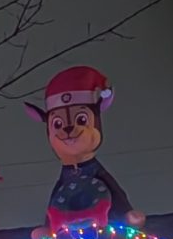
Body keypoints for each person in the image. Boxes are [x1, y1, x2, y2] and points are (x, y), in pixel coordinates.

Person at [26, 66, 141, 230]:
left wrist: (126, 212)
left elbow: (115, 190)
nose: (67, 129)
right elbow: (55, 201)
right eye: (57, 124)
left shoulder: (94, 170)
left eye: (81, 120)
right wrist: (48, 228)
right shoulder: (66, 175)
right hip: (71, 230)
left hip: (105, 224)